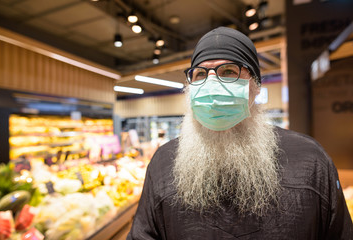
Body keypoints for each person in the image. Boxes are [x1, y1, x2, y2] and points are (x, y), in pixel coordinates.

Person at [127, 27, 353, 239]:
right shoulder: (163, 163)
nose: (212, 85)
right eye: (200, 75)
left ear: (255, 86)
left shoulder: (310, 161)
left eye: (228, 71)